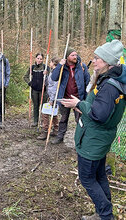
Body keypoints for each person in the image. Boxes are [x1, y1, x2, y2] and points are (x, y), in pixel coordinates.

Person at [61, 39, 125, 220]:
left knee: (87, 178)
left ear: (106, 62)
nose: (93, 61)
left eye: (97, 58)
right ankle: (103, 213)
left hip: (94, 140)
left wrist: (78, 103)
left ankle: (105, 215)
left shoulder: (110, 87)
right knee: (99, 175)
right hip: (98, 138)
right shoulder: (110, 80)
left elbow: (99, 114)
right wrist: (80, 105)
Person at [51, 48, 90, 144]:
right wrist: (60, 65)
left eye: (76, 55)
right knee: (63, 119)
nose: (75, 57)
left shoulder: (82, 66)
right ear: (67, 56)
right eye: (73, 55)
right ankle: (60, 137)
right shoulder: (62, 67)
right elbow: (54, 78)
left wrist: (86, 98)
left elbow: (88, 82)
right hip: (65, 98)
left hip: (78, 99)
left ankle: (81, 140)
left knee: (80, 120)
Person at [24, 53, 50, 127]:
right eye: (38, 58)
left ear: (43, 60)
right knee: (35, 105)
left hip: (43, 90)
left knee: (43, 106)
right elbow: (25, 76)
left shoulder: (46, 67)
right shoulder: (32, 67)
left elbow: (51, 78)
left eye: (41, 59)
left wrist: (47, 74)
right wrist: (30, 83)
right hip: (34, 90)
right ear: (35, 59)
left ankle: (43, 121)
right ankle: (35, 121)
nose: (39, 60)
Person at [37, 57, 60, 140]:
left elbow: (55, 86)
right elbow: (48, 83)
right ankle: (56, 130)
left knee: (45, 113)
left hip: (53, 97)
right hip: (50, 95)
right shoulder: (52, 72)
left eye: (50, 62)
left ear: (53, 63)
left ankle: (45, 131)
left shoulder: (56, 73)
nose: (49, 63)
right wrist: (46, 76)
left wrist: (52, 99)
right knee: (53, 113)